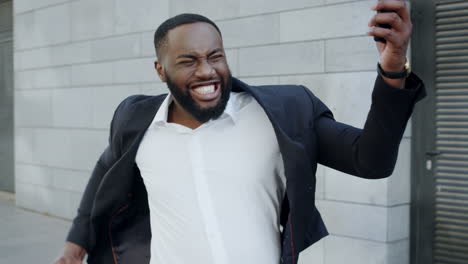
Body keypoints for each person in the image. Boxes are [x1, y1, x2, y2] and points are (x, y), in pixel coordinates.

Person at [54, 1, 425, 263]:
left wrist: (392, 70)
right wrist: (77, 242)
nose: (207, 71)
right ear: (160, 70)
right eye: (188, 61)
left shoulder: (283, 113)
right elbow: (106, 170)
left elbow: (371, 161)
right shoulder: (134, 119)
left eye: (215, 56)